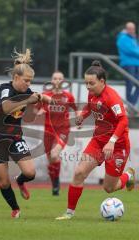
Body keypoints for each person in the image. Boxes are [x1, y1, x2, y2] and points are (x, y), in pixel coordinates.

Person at [56, 60, 135, 220]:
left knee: (109, 188)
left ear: (102, 82)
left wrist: (112, 141)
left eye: (91, 83)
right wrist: (82, 116)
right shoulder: (92, 93)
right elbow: (90, 106)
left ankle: (128, 176)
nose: (88, 87)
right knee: (79, 173)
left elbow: (123, 121)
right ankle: (69, 213)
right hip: (98, 142)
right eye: (86, 83)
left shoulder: (112, 97)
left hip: (117, 146)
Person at [0, 49, 53, 218]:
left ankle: (20, 181)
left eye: (30, 81)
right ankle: (15, 209)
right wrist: (31, 99)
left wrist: (46, 101)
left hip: (14, 138)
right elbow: (7, 107)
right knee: (3, 180)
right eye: (26, 81)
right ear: (16, 78)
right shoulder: (5, 89)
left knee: (30, 173)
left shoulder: (27, 92)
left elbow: (33, 107)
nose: (28, 84)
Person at [32, 71, 77, 195]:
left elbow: (76, 110)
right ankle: (55, 184)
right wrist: (39, 111)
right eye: (55, 78)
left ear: (63, 81)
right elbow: (35, 110)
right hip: (48, 131)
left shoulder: (68, 96)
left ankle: (56, 184)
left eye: (60, 78)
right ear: (52, 81)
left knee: (54, 154)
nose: (57, 80)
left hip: (63, 130)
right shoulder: (45, 95)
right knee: (51, 160)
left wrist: (79, 120)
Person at [116, 21, 139, 107]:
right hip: (128, 64)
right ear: (126, 29)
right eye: (130, 28)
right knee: (130, 84)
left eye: (133, 28)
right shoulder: (123, 38)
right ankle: (130, 105)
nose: (132, 30)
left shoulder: (133, 38)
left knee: (136, 83)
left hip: (136, 64)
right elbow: (130, 50)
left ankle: (131, 104)